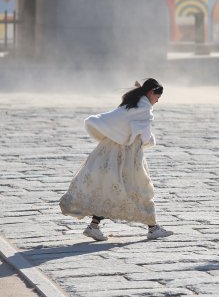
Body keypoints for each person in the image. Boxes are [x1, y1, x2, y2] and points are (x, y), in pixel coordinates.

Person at [60, 78, 173, 241]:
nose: (158, 100)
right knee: (141, 187)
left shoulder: (132, 102)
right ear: (150, 92)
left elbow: (116, 120)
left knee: (110, 187)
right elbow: (145, 135)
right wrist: (150, 141)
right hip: (128, 156)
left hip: (110, 151)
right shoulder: (144, 108)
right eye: (157, 96)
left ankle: (94, 226)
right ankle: (153, 228)